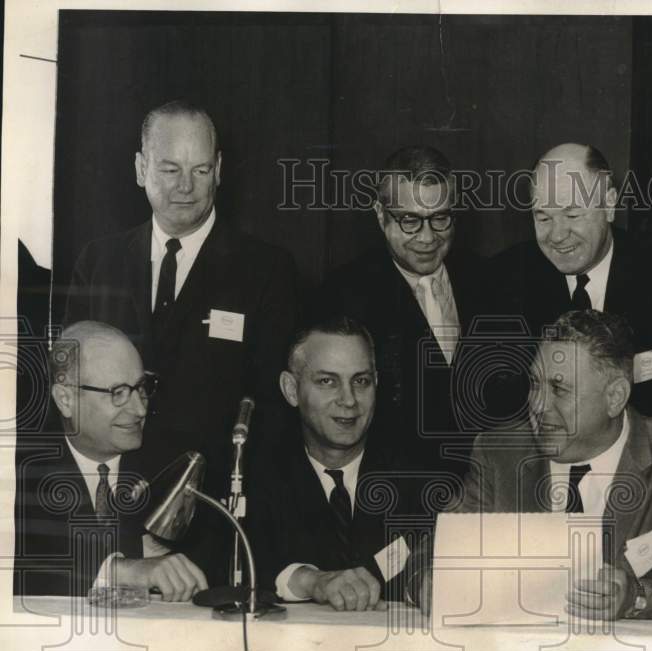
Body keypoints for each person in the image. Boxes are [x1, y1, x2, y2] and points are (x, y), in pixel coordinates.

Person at [62, 99, 298, 520]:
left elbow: (272, 411)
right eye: (170, 170)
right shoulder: (97, 262)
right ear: (140, 169)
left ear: (220, 170)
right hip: (112, 505)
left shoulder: (266, 270)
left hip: (215, 509)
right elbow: (70, 393)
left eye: (201, 170)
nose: (185, 186)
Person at [414, 310, 652, 620]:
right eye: (535, 385)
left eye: (559, 389)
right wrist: (428, 583)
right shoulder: (500, 453)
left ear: (615, 397)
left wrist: (636, 595)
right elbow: (434, 552)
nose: (537, 406)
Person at [318, 145, 510, 477]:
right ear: (380, 214)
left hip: (486, 491)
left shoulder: (491, 281)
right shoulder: (343, 295)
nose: (427, 237)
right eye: (409, 220)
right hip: (394, 494)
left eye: (440, 218)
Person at [245, 316, 436, 611]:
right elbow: (234, 565)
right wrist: (312, 580)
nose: (349, 400)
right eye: (327, 381)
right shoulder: (253, 474)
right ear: (291, 389)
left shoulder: (416, 476)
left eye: (361, 381)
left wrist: (423, 584)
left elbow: (427, 563)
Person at [492, 142, 652, 420]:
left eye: (572, 214)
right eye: (543, 217)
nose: (557, 235)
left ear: (609, 205)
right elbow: (503, 405)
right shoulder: (505, 278)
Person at [14, 321, 208, 600]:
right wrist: (123, 571)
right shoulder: (21, 465)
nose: (140, 409)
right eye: (118, 393)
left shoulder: (174, 460)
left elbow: (211, 556)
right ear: (65, 399)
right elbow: (24, 565)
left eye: (142, 388)